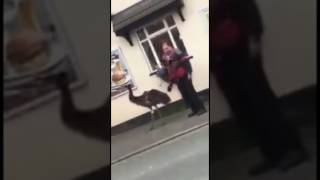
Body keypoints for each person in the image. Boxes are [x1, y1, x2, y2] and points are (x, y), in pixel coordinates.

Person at [211, 0, 308, 176]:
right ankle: (272, 154)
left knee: (262, 101)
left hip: (242, 49)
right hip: (222, 58)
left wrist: (254, 37)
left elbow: (246, 7)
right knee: (246, 110)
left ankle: (294, 149)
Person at [161, 41, 206, 117]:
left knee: (191, 92)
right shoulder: (165, 57)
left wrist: (189, 72)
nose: (166, 50)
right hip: (177, 78)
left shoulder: (176, 51)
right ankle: (194, 110)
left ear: (170, 46)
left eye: (167, 48)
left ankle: (201, 108)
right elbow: (167, 67)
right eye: (164, 49)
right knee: (185, 95)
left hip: (184, 75)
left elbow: (186, 60)